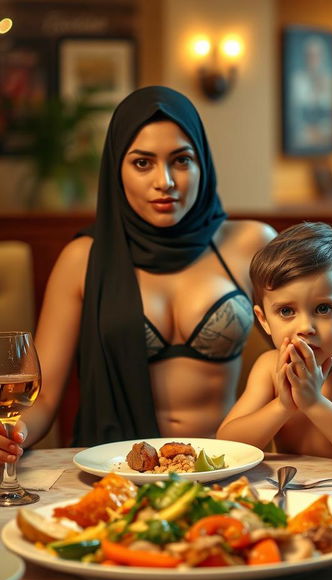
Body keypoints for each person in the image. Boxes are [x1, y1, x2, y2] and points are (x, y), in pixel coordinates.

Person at [0, 85, 276, 461]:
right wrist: (15, 431)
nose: (165, 181)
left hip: (223, 466)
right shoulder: (82, 259)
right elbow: (44, 396)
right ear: (117, 168)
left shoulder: (250, 244)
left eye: (181, 160)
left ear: (203, 164)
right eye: (142, 163)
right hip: (117, 468)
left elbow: (309, 342)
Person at [217, 222, 332, 470]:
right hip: (290, 490)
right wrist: (283, 406)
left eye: (323, 308)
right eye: (286, 311)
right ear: (264, 320)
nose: (306, 326)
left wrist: (313, 402)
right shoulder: (269, 368)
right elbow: (228, 447)